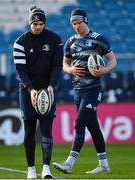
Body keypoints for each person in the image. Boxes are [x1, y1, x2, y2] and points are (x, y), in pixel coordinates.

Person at [53, 8, 117, 174]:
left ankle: (69, 163)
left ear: (85, 21)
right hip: (77, 90)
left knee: (79, 122)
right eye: (73, 23)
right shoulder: (70, 42)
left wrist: (103, 71)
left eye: (78, 22)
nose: (76, 26)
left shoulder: (98, 40)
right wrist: (71, 70)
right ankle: (104, 165)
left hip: (93, 89)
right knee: (93, 127)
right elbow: (64, 64)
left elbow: (112, 61)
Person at [13, 5, 63, 179]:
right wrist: (31, 90)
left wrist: (52, 86)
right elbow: (20, 70)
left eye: (41, 23)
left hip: (48, 90)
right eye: (35, 24)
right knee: (29, 131)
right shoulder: (20, 42)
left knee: (46, 129)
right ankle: (31, 170)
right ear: (30, 23)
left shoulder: (55, 39)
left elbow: (57, 66)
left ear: (44, 23)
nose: (38, 27)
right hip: (27, 91)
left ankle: (46, 169)